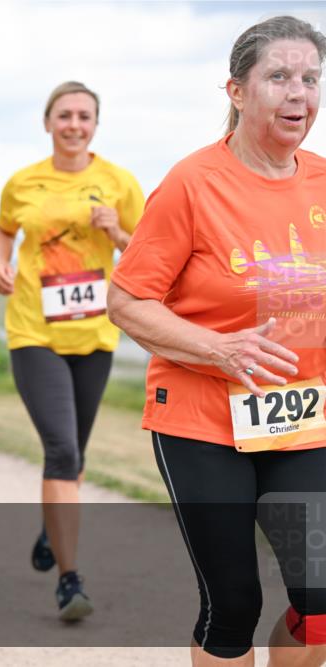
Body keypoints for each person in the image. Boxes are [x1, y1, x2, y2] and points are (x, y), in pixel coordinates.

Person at [108, 16, 326, 666]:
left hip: (300, 419)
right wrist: (220, 348)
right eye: (279, 76)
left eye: (311, 78)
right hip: (203, 418)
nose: (299, 93)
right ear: (236, 91)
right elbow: (127, 300)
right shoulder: (191, 183)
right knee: (234, 600)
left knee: (318, 597)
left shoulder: (322, 181)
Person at [0, 81, 144, 621]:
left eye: (83, 115)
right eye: (64, 115)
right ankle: (69, 579)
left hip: (96, 333)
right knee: (62, 451)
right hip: (35, 330)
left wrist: (119, 230)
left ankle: (51, 528)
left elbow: (149, 251)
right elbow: (5, 231)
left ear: (95, 124)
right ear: (48, 121)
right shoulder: (23, 182)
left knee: (73, 457)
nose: (74, 124)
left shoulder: (119, 182)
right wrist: (0, 263)